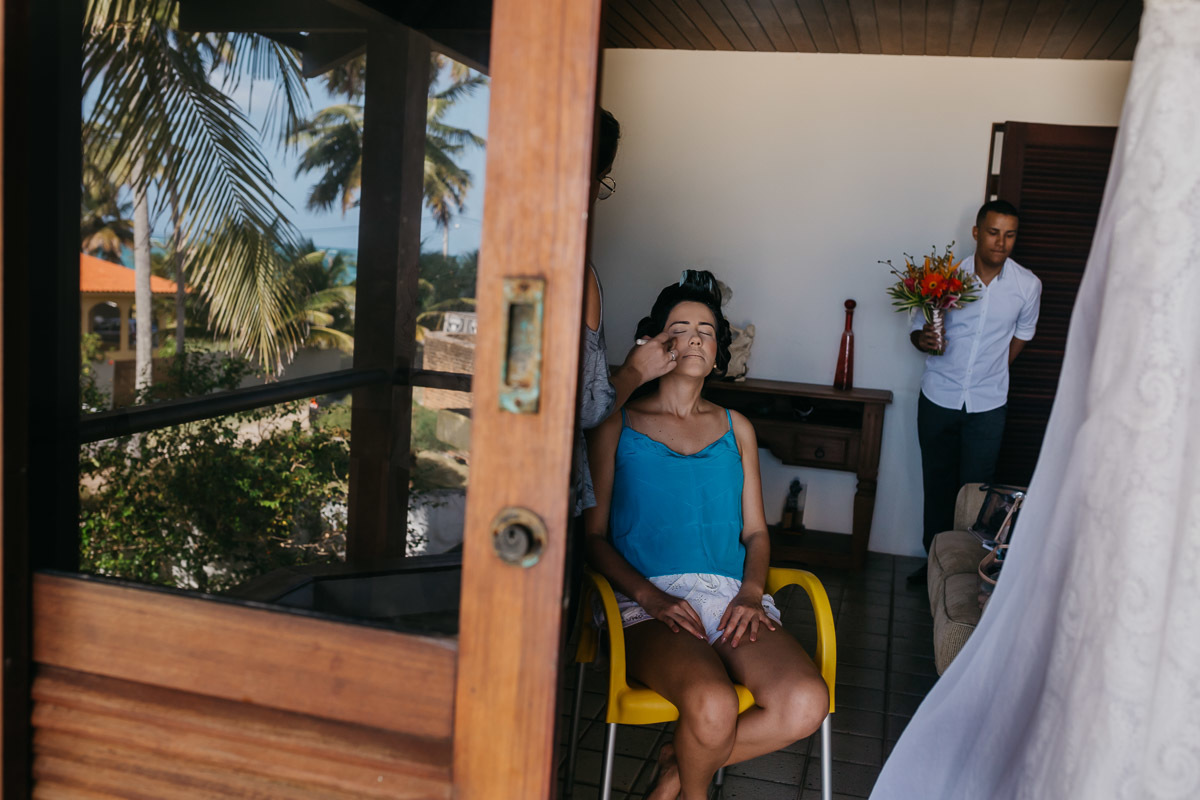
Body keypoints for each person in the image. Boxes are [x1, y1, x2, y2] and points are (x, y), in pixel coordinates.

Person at [584, 270, 828, 800]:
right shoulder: (615, 423)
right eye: (680, 327)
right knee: (713, 704)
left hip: (728, 599)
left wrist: (751, 592)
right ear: (654, 342)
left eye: (707, 329)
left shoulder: (737, 426)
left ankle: (677, 768)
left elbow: (758, 533)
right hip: (646, 603)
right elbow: (594, 537)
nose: (694, 336)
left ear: (719, 353)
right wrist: (652, 597)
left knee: (806, 701)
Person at [907, 200, 1042, 585]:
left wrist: (995, 369)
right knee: (937, 486)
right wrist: (925, 339)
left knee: (976, 495)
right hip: (938, 397)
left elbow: (1022, 335)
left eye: (1010, 234)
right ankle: (932, 567)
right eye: (994, 232)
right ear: (977, 233)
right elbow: (916, 332)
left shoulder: (1027, 286)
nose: (1001, 242)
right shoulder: (944, 277)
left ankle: (965, 573)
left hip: (988, 403)